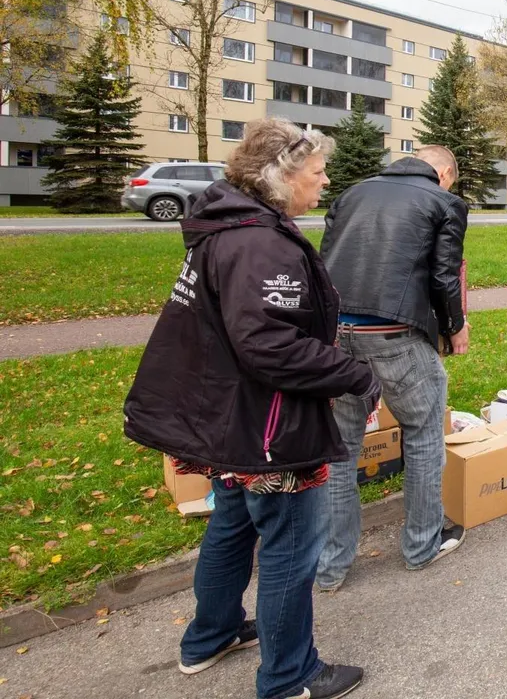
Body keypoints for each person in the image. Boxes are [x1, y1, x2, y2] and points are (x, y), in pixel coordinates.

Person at [124, 119, 376, 699]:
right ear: (283, 176)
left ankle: (209, 636)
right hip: (266, 426)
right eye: (317, 172)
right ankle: (290, 676)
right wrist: (355, 374)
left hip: (227, 415)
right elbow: (270, 346)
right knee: (290, 545)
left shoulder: (229, 227)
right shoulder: (259, 242)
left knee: (233, 525)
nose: (325, 180)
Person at [316, 146, 470, 590]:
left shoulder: (351, 194)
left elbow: (324, 262)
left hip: (340, 333)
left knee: (341, 448)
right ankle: (422, 544)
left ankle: (331, 564)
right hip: (395, 334)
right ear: (443, 173)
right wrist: (454, 327)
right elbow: (443, 276)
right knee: (422, 434)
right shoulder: (444, 201)